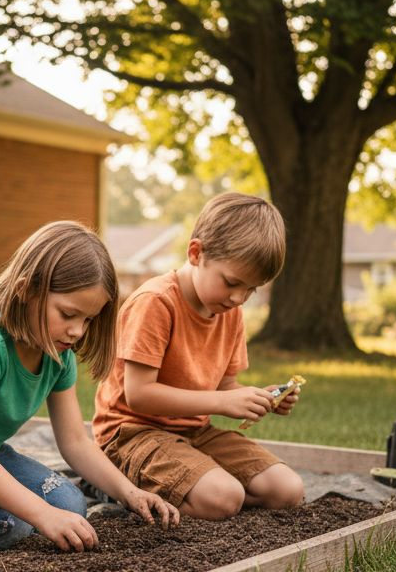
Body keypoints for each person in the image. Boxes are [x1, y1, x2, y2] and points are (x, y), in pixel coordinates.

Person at [0, 221, 179, 553]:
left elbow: (74, 443)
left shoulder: (57, 354)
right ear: (26, 290)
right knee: (12, 523)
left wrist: (129, 492)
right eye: (68, 314)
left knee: (69, 504)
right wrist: (42, 516)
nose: (77, 331)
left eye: (88, 319)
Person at [92, 193, 305, 521]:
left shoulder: (229, 312)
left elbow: (226, 386)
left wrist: (264, 398)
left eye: (251, 290)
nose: (239, 298)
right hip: (132, 434)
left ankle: (192, 485)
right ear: (196, 253)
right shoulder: (156, 303)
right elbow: (139, 395)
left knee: (286, 490)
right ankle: (114, 487)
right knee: (224, 497)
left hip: (193, 432)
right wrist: (221, 404)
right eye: (232, 282)